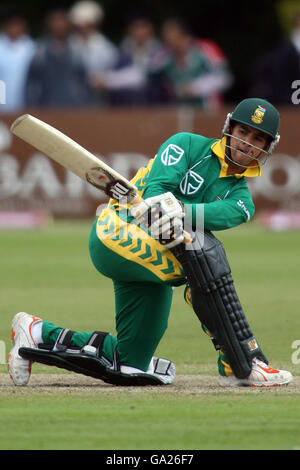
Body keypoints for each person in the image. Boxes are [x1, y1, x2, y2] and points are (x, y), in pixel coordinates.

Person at [8, 97, 293, 388]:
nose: (247, 142)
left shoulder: (242, 201)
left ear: (268, 147)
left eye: (258, 138)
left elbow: (213, 215)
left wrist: (180, 211)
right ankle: (240, 362)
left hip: (157, 258)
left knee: (130, 363)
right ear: (229, 127)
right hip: (117, 230)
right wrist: (160, 208)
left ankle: (37, 333)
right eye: (243, 132)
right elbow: (157, 188)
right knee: (204, 261)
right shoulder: (187, 144)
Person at [148, 18, 232, 108]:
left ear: (182, 33)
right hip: (180, 112)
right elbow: (148, 71)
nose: (166, 37)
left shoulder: (205, 48)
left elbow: (225, 78)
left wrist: (196, 88)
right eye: (164, 34)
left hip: (208, 110)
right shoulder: (166, 55)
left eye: (170, 33)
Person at [25, 8, 93, 107]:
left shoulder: (77, 49)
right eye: (55, 21)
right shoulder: (40, 50)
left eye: (62, 21)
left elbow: (84, 82)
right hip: (46, 107)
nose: (59, 25)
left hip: (74, 108)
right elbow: (32, 83)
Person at [0, 10, 36, 112]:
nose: (14, 28)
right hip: (2, 106)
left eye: (18, 24)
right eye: (12, 24)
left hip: (25, 105)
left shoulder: (31, 47)